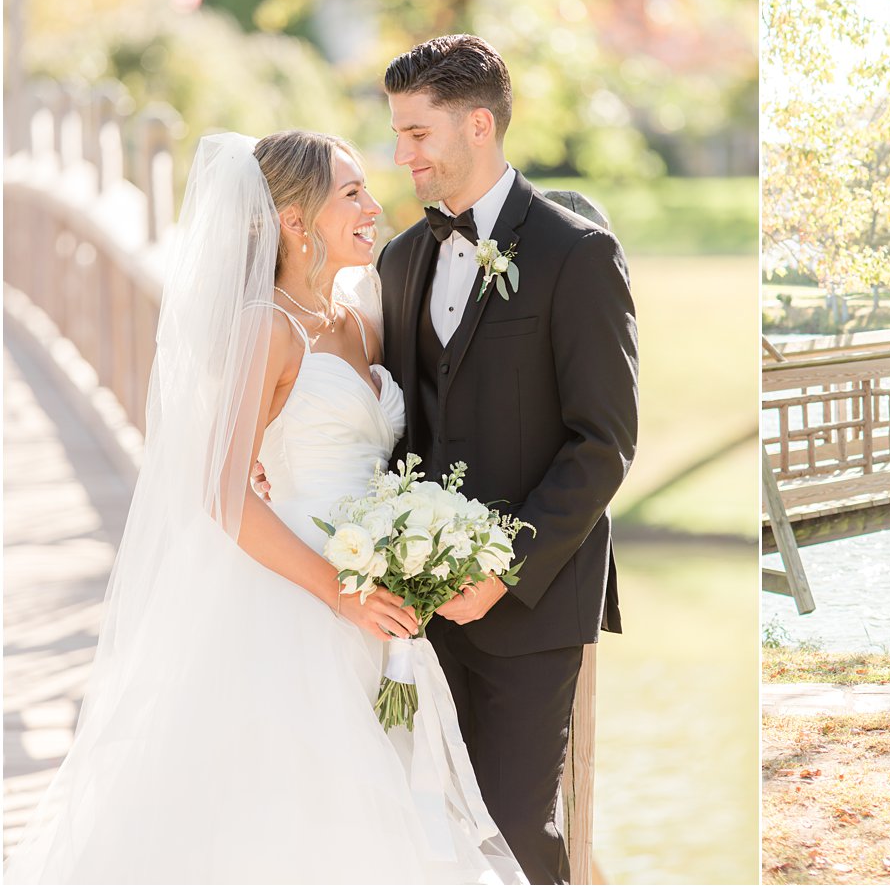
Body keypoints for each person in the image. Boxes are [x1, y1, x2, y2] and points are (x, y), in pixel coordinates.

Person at [6, 131, 524, 882]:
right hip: (293, 595)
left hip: (376, 596)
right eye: (351, 193)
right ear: (293, 218)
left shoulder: (360, 317)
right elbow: (222, 491)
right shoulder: (265, 326)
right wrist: (342, 594)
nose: (373, 206)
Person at [376, 34, 638, 885]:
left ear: (477, 125)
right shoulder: (400, 259)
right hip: (418, 611)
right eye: (398, 134)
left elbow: (604, 441)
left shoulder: (577, 253)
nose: (401, 152)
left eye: (417, 133)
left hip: (532, 604)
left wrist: (501, 566)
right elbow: (390, 421)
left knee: (519, 833)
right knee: (424, 830)